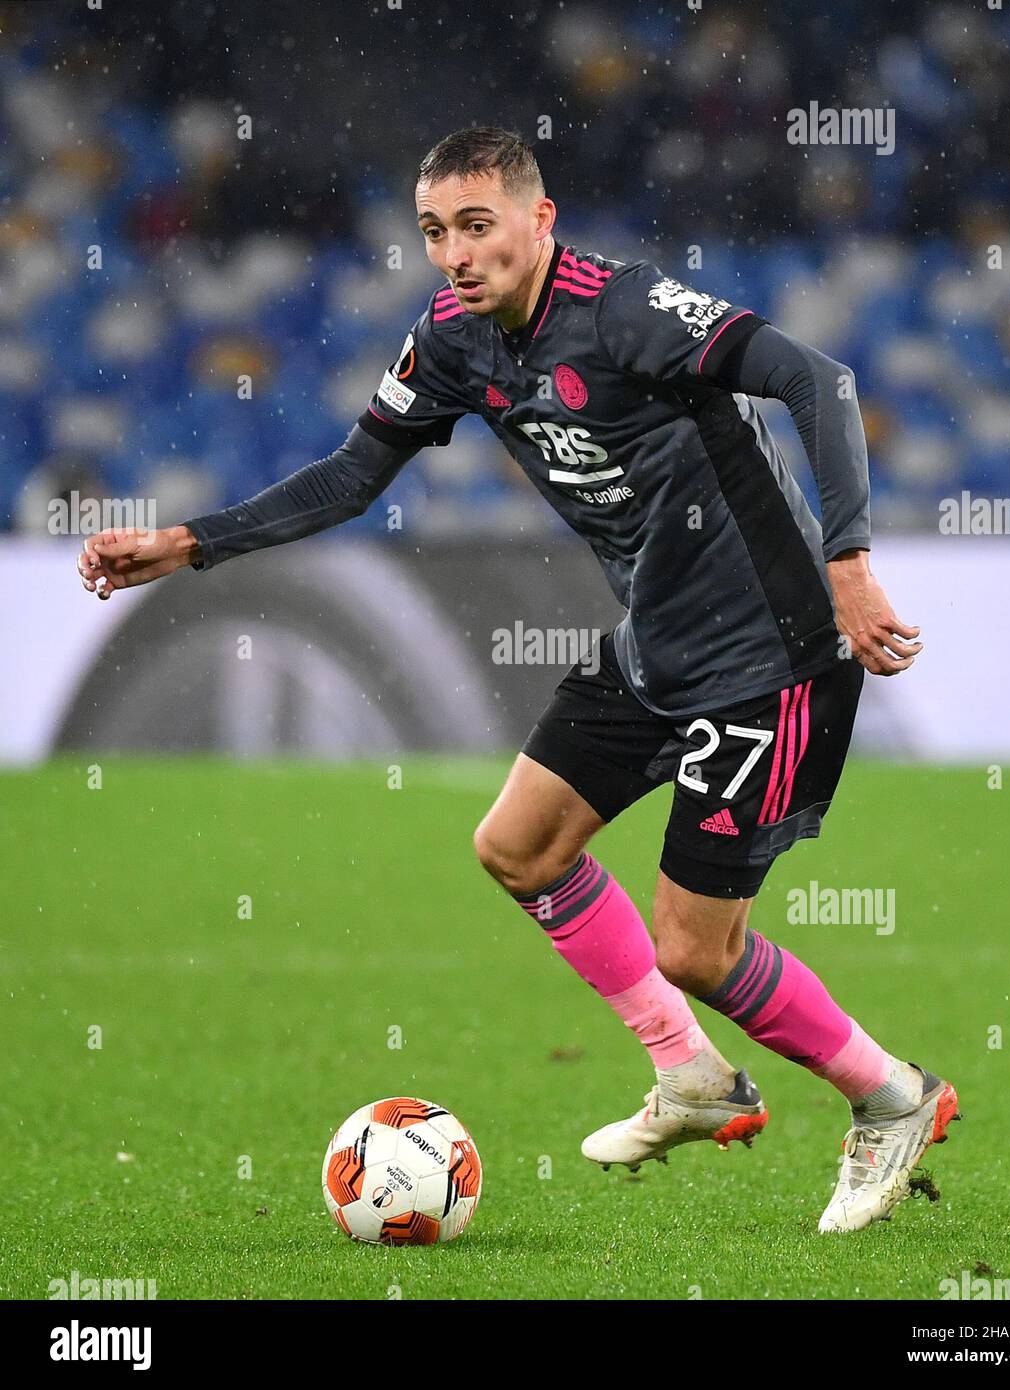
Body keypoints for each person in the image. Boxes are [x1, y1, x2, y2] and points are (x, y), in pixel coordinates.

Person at [76, 127, 959, 1233]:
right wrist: (188, 543)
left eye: (477, 225)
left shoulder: (626, 310)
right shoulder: (452, 338)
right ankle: (691, 1075)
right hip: (657, 647)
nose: (454, 252)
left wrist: (849, 563)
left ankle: (891, 1094)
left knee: (694, 946)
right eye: (435, 231)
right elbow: (356, 475)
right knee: (518, 845)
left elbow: (814, 377)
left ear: (542, 221)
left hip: (769, 658)